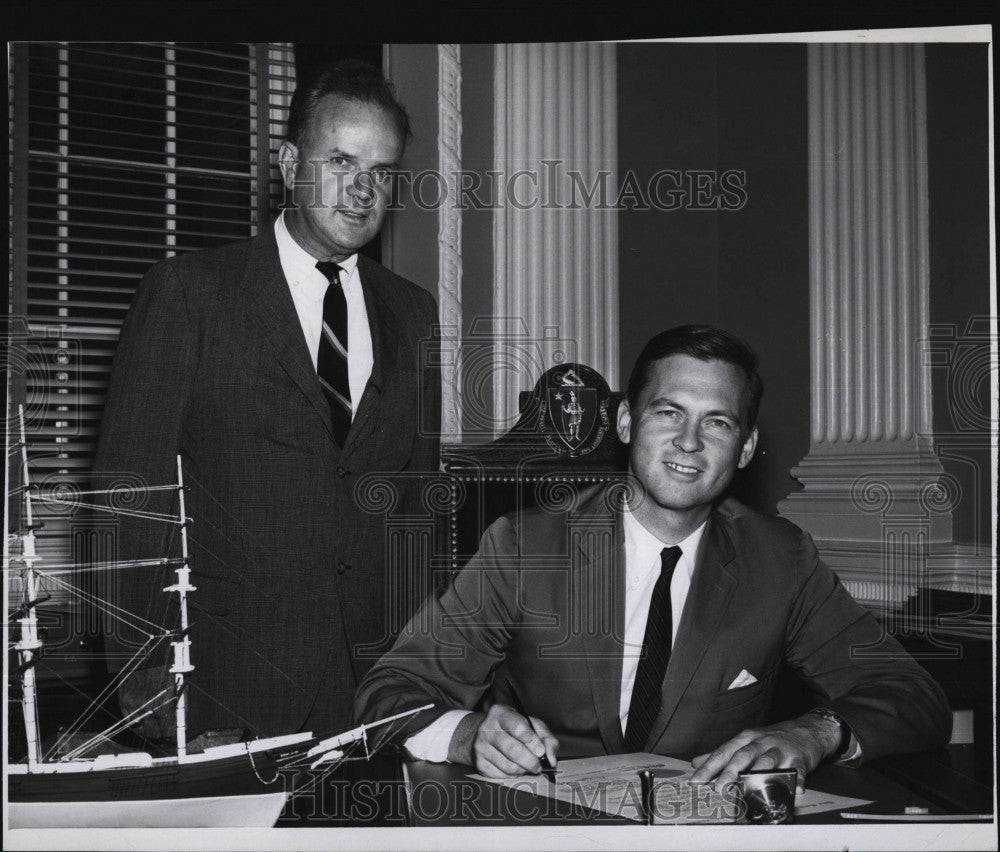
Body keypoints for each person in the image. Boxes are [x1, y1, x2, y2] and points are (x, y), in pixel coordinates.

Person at [352, 325, 950, 793]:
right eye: (668, 412)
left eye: (717, 422)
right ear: (625, 420)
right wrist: (467, 736)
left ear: (744, 449)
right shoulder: (525, 548)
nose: (689, 442)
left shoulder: (781, 559)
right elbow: (390, 690)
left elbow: (912, 695)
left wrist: (816, 731)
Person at [95, 59, 440, 742]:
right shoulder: (190, 294)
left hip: (373, 697)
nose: (362, 189)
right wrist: (153, 701)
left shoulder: (414, 313)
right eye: (341, 160)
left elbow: (414, 510)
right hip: (223, 694)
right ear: (287, 162)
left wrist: (420, 678)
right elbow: (126, 503)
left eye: (382, 171)